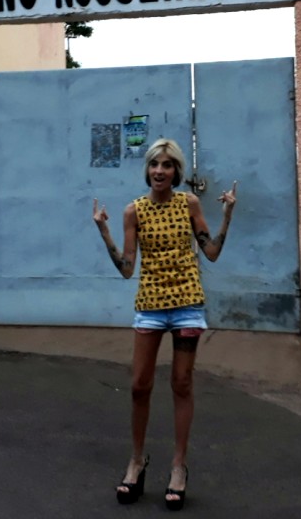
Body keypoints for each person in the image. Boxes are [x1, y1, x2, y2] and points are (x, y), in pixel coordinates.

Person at [93, 137, 237, 511]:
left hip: (187, 303)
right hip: (151, 307)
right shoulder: (133, 211)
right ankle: (137, 461)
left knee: (182, 383)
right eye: (155, 164)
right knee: (140, 385)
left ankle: (178, 467)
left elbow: (212, 251)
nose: (160, 171)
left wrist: (228, 215)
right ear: (148, 170)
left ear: (176, 171)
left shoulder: (188, 203)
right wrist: (104, 232)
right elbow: (127, 269)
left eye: (167, 164)